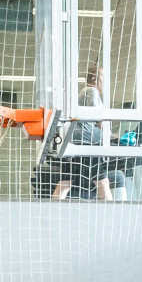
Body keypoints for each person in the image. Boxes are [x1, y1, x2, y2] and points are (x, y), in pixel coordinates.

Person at [51, 64, 113, 201]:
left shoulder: (86, 94)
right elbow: (100, 121)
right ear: (94, 78)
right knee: (102, 183)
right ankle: (112, 217)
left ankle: (51, 210)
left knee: (65, 183)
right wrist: (112, 136)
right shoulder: (91, 92)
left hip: (74, 142)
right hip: (86, 143)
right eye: (104, 77)